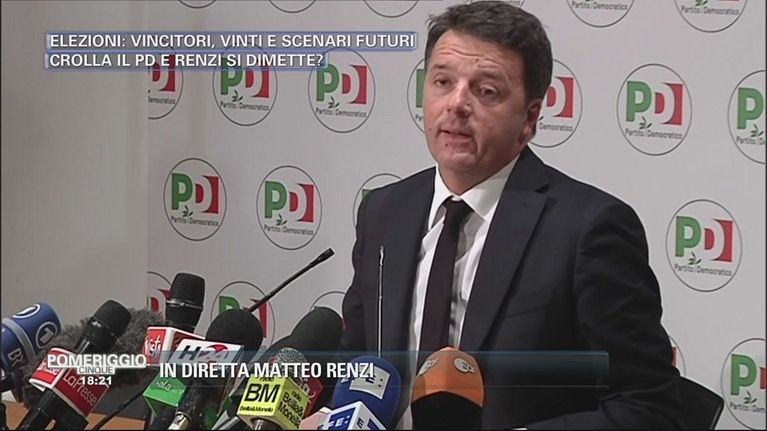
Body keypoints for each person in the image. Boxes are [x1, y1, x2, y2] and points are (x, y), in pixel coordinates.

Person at [340, 1, 683, 428]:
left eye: (486, 91)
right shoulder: (385, 212)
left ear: (530, 118)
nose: (456, 104)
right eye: (443, 81)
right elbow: (355, 362)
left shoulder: (588, 230)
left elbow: (650, 406)